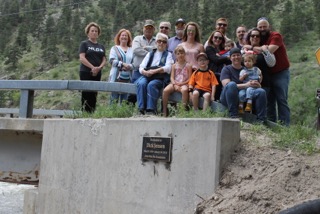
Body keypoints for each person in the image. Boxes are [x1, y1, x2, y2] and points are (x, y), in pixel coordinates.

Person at [256, 17, 291, 125]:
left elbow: (269, 50)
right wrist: (261, 48)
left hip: (280, 72)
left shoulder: (276, 36)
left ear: (269, 27)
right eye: (260, 27)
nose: (262, 29)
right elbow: (248, 47)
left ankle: (285, 126)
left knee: (281, 99)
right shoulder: (259, 39)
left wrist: (256, 48)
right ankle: (272, 125)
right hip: (267, 74)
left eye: (264, 26)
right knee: (269, 101)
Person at [220, 48, 267, 122]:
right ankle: (233, 115)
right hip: (228, 97)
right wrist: (246, 85)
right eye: (233, 55)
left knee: (261, 91)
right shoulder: (226, 69)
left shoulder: (247, 68)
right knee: (231, 84)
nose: (236, 57)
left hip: (245, 95)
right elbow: (226, 85)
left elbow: (258, 79)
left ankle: (261, 120)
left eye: (238, 55)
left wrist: (257, 85)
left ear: (241, 57)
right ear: (230, 58)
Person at [136, 32, 173, 115]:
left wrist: (156, 71)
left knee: (152, 85)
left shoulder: (168, 55)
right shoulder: (150, 54)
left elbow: (168, 68)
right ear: (156, 42)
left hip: (160, 77)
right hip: (148, 75)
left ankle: (151, 109)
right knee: (141, 83)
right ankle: (141, 109)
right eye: (159, 41)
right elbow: (141, 66)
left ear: (166, 44)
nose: (161, 43)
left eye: (164, 42)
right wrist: (145, 72)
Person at [79, 22, 106, 113]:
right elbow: (82, 58)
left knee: (94, 94)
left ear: (98, 33)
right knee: (86, 93)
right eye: (92, 31)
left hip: (97, 73)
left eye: (96, 31)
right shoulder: (84, 44)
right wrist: (92, 67)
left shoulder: (101, 46)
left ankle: (92, 113)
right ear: (88, 32)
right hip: (86, 72)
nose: (94, 32)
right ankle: (85, 113)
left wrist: (99, 67)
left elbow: (104, 59)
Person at [128, 19, 157, 104]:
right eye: (146, 27)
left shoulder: (157, 40)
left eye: (150, 28)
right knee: (133, 93)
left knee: (148, 89)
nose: (148, 29)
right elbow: (136, 50)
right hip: (138, 71)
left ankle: (144, 110)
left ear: (154, 29)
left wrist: (146, 47)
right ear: (143, 29)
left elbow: (158, 52)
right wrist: (150, 52)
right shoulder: (137, 38)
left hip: (151, 71)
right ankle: (129, 110)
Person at [162, 46, 192, 117]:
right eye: (178, 54)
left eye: (182, 53)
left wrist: (181, 84)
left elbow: (190, 79)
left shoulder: (188, 65)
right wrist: (175, 84)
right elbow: (172, 77)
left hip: (184, 83)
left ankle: (183, 111)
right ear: (176, 55)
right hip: (175, 83)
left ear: (184, 54)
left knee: (184, 90)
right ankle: (164, 111)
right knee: (165, 90)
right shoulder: (174, 65)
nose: (180, 55)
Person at [243, 28, 274, 96]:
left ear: (260, 38)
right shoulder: (243, 50)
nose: (255, 37)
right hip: (246, 84)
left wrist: (263, 50)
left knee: (261, 106)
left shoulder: (265, 49)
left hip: (263, 84)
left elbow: (272, 63)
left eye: (257, 36)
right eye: (252, 36)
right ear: (249, 37)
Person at [108, 29, 134, 104]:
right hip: (116, 77)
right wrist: (122, 64)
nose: (124, 37)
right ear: (119, 37)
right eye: (122, 35)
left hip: (127, 78)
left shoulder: (131, 50)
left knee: (125, 101)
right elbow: (112, 61)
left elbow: (134, 63)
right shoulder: (115, 48)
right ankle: (112, 114)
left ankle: (122, 115)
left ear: (128, 38)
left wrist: (129, 66)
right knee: (114, 99)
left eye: (126, 35)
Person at [205, 30, 231, 100]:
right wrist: (226, 57)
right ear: (212, 38)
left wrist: (220, 57)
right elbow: (216, 60)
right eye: (216, 37)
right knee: (214, 95)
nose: (218, 39)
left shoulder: (224, 50)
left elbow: (230, 61)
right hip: (213, 75)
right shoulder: (209, 48)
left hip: (224, 74)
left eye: (220, 38)